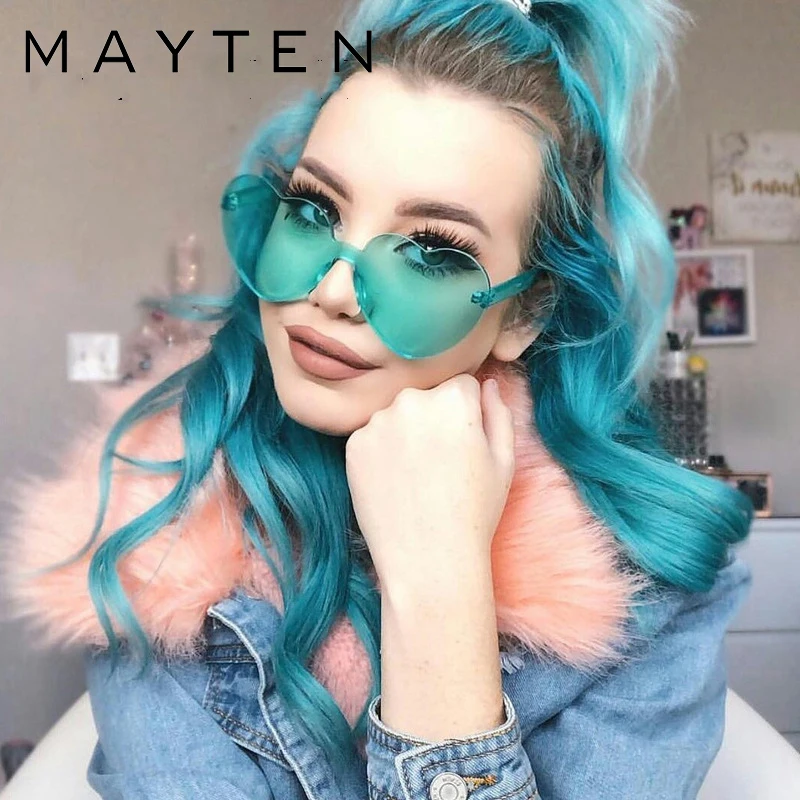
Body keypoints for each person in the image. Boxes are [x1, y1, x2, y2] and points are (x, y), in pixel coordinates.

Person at [1, 0, 754, 797]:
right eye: (313, 210)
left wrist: (442, 588)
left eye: (431, 253)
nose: (331, 292)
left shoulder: (645, 588)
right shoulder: (154, 529)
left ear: (523, 314)